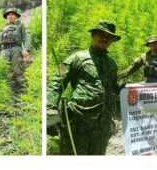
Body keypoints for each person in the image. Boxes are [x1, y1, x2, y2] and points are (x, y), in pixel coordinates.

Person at [47, 20, 121, 155]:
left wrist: (125, 91)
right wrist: (51, 112)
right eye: (101, 34)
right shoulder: (77, 58)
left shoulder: (112, 64)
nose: (105, 38)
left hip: (102, 125)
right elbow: (56, 83)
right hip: (78, 121)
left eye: (109, 36)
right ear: (93, 35)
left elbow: (113, 88)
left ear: (112, 41)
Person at [0, 8, 31, 95]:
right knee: (4, 71)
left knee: (17, 71)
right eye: (8, 15)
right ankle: (8, 94)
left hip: (16, 49)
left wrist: (26, 48)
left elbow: (27, 37)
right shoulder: (3, 27)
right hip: (4, 51)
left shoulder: (21, 25)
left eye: (12, 14)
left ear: (16, 16)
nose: (10, 16)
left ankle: (22, 93)